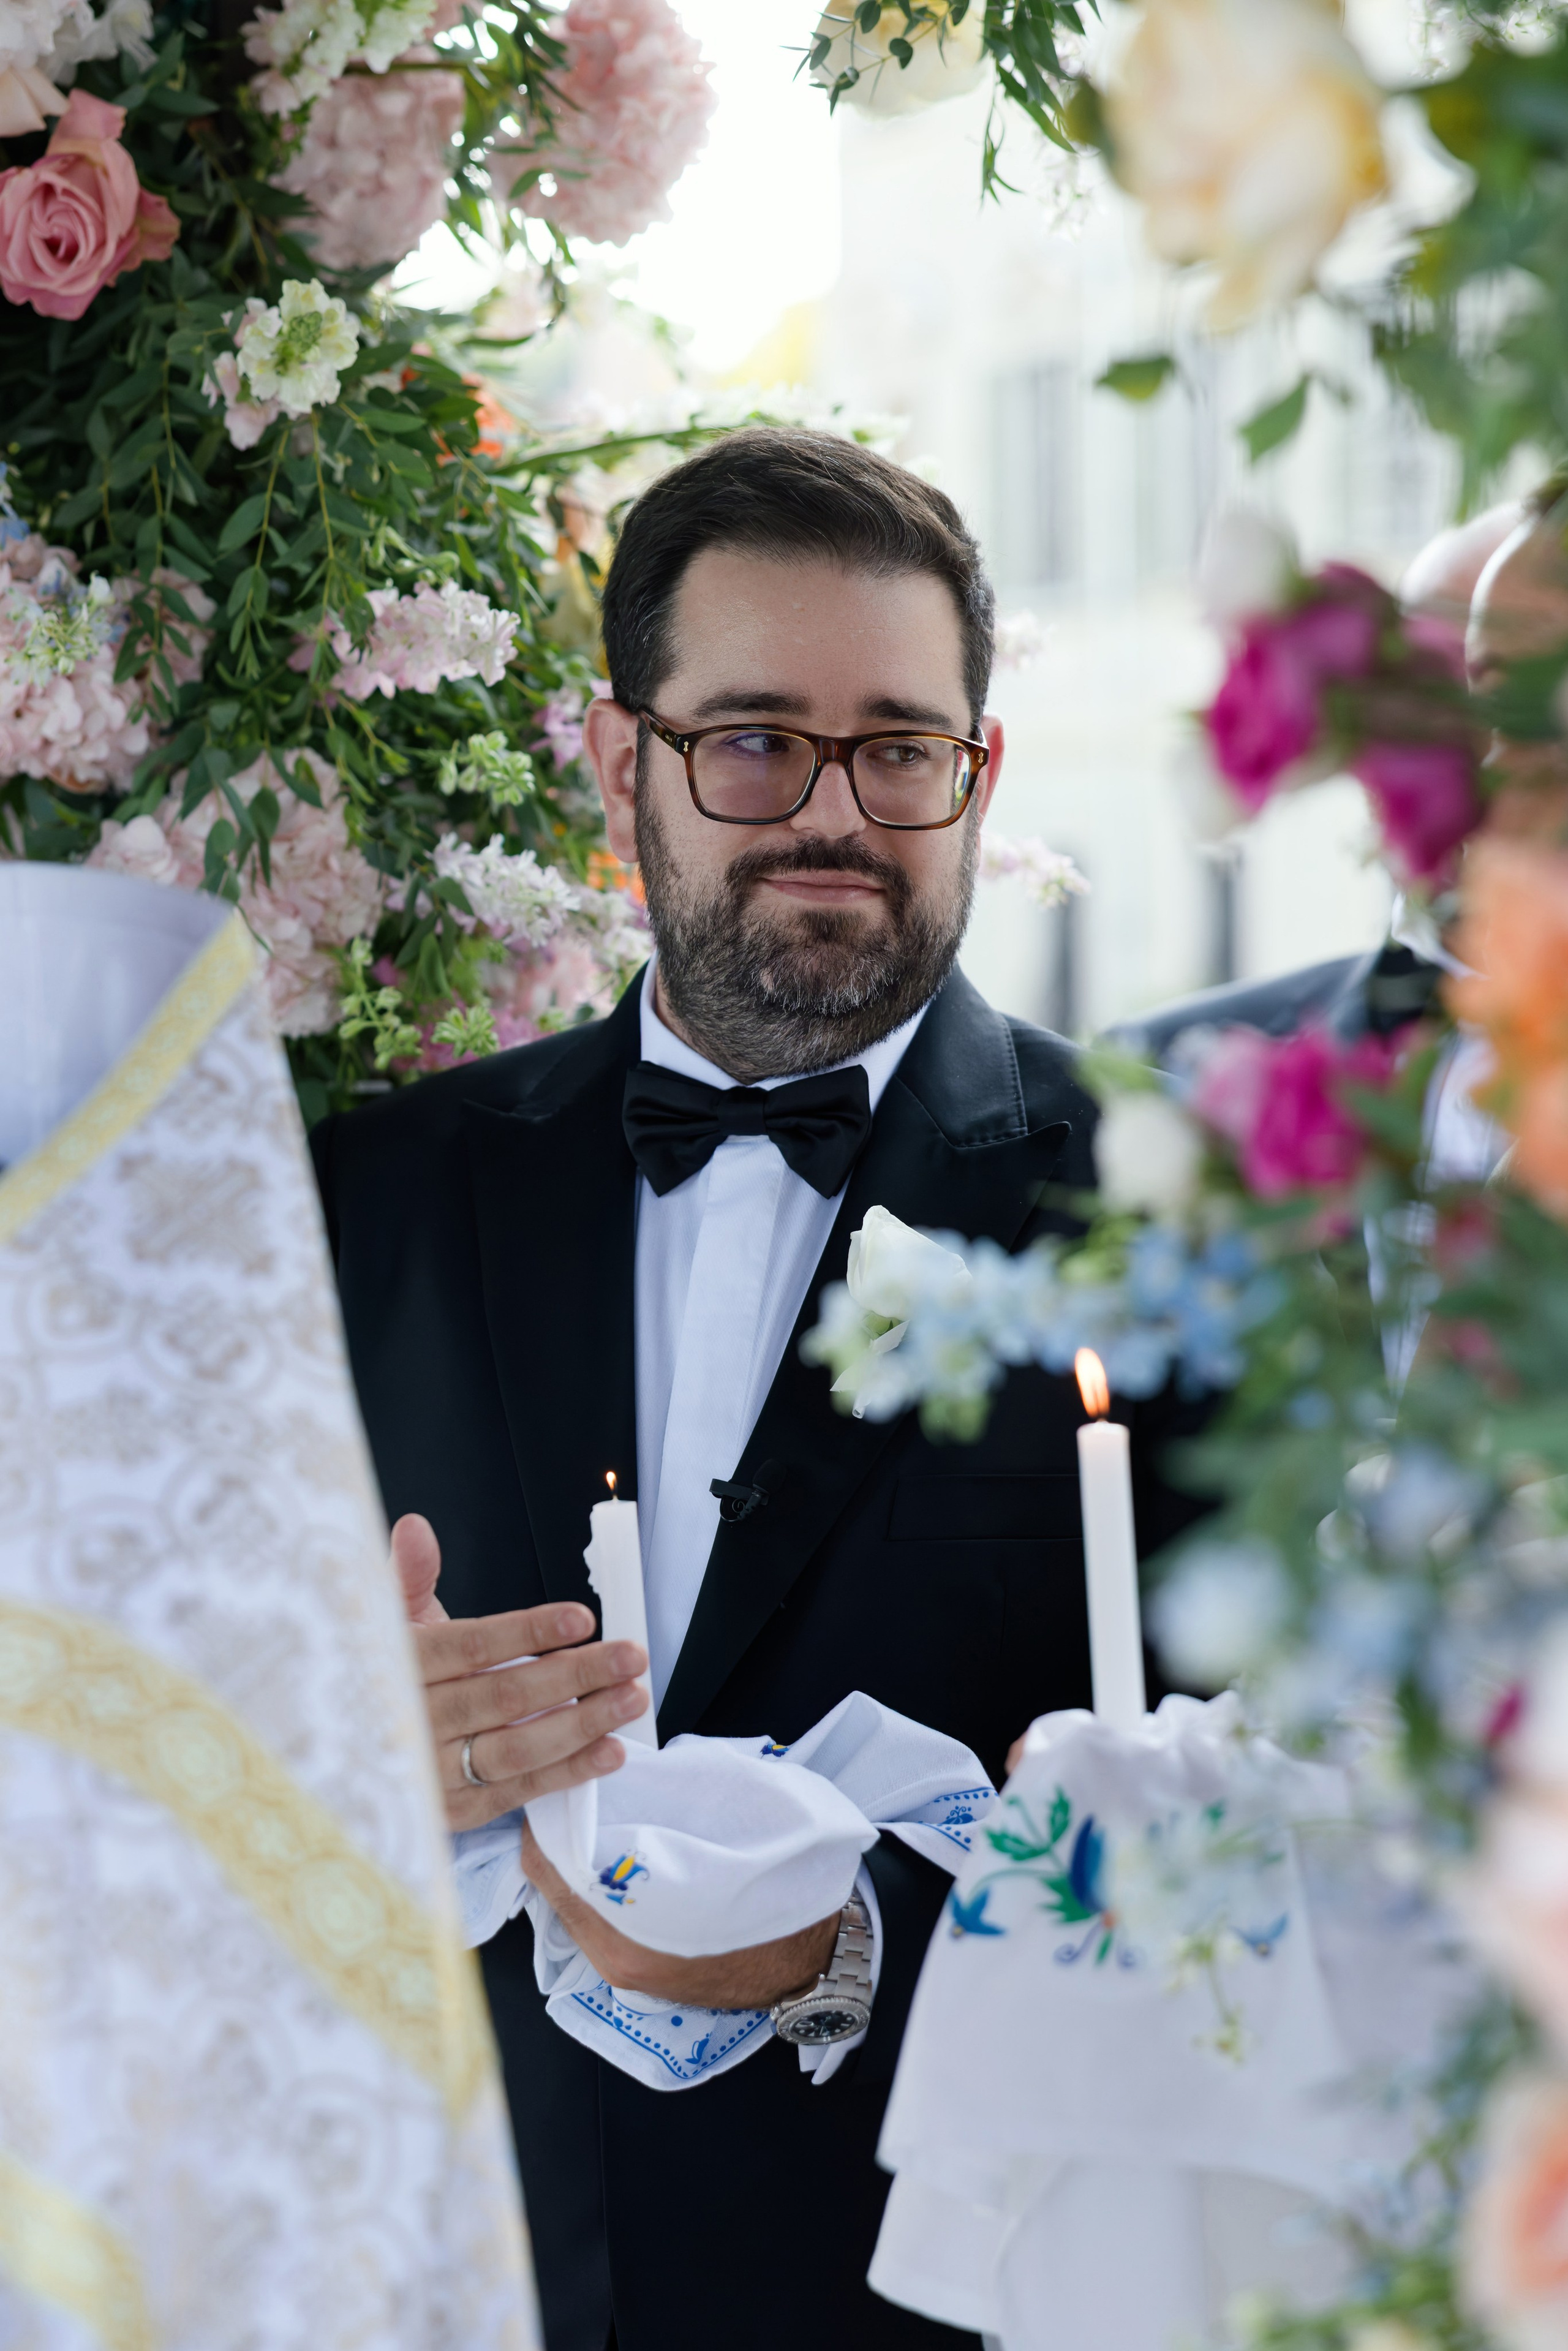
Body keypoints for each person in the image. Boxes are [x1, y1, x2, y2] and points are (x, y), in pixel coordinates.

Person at [310, 428, 1199, 2351]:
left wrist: (853, 1933)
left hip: (954, 2294)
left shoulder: (1190, 1211)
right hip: (457, 2281)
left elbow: (1284, 1786)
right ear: (622, 762)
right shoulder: (360, 1197)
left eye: (898, 747)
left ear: (976, 778)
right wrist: (325, 1733)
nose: (833, 810)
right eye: (749, 738)